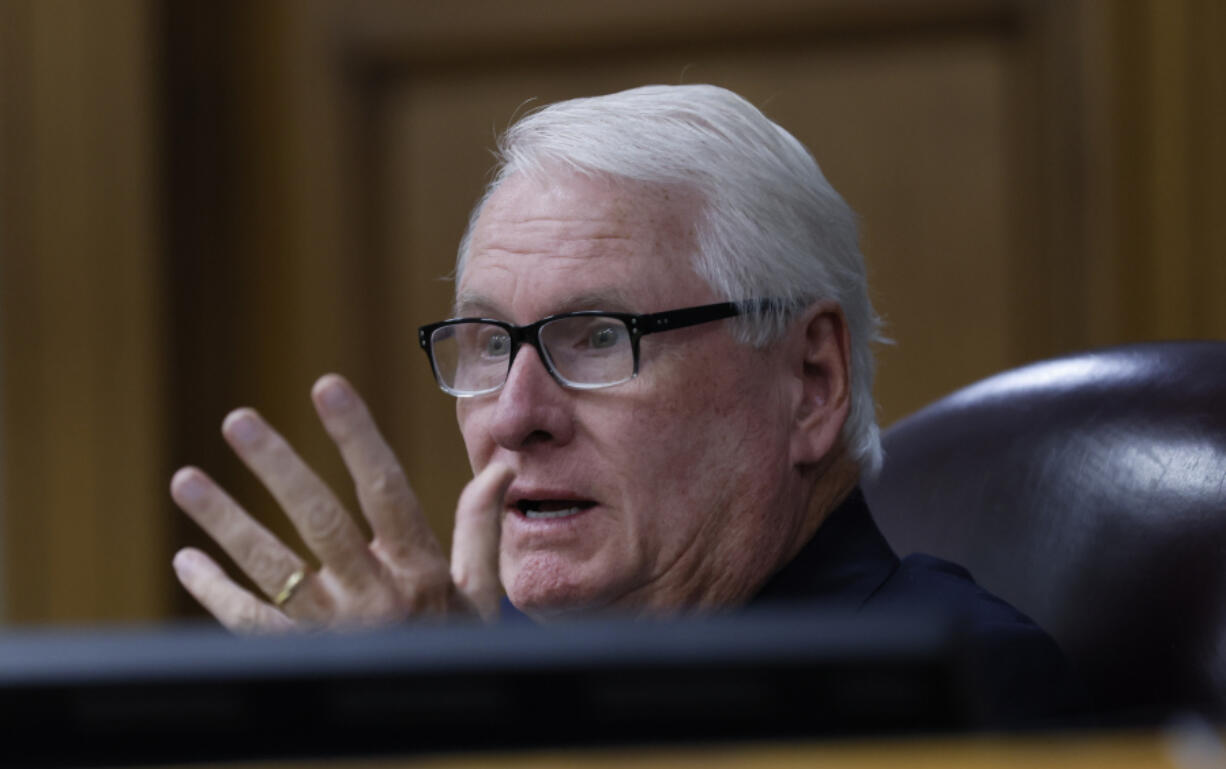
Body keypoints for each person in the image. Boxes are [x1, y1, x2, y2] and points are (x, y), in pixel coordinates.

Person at [170, 84, 1081, 717]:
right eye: (491, 344)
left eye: (600, 337)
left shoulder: (966, 686)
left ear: (812, 381)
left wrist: (458, 732)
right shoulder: (465, 647)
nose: (516, 413)